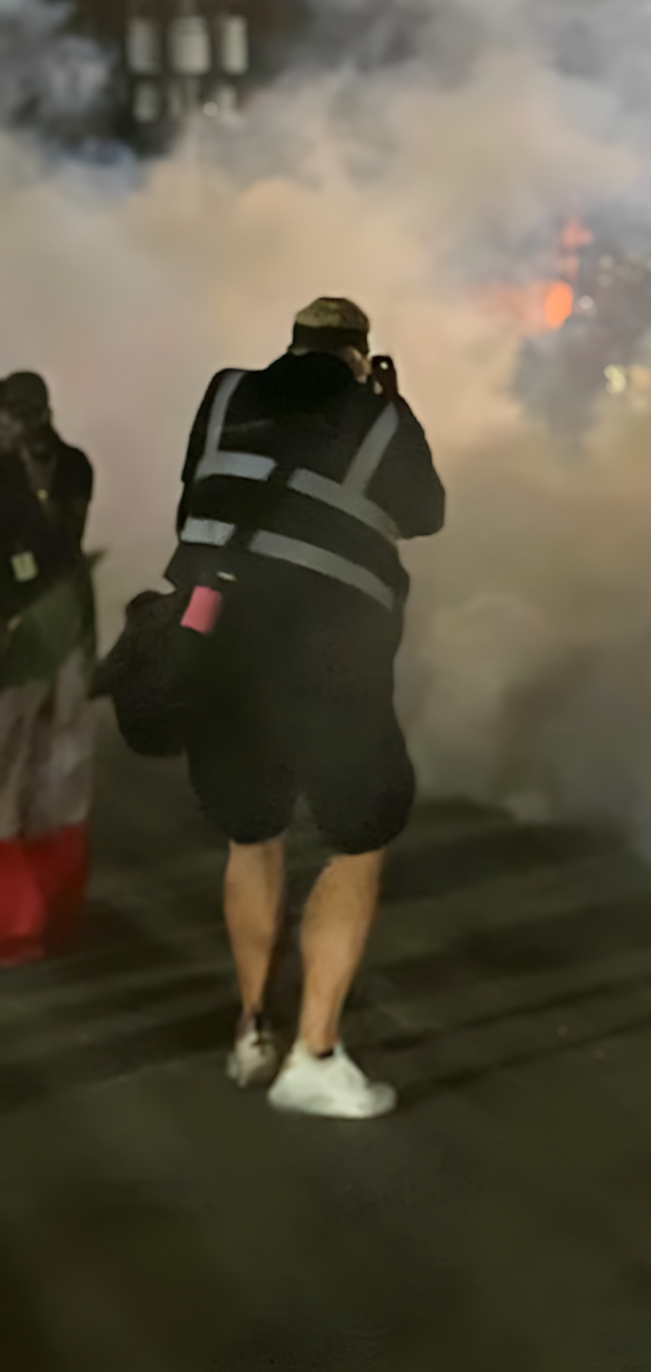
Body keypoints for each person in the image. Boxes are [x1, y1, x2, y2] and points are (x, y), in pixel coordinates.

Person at [171, 297, 445, 1120]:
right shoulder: (377, 416)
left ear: (291, 344)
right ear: (360, 356)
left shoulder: (225, 394)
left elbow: (198, 488)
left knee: (251, 833)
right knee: (359, 836)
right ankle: (312, 1056)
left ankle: (251, 1031)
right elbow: (426, 514)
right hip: (328, 655)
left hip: (215, 635)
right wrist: (391, 402)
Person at [0, 374, 96, 956]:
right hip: (32, 634)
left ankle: (34, 914)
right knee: (28, 768)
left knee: (47, 768)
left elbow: (62, 545)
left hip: (47, 633)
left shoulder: (69, 465)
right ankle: (26, 914)